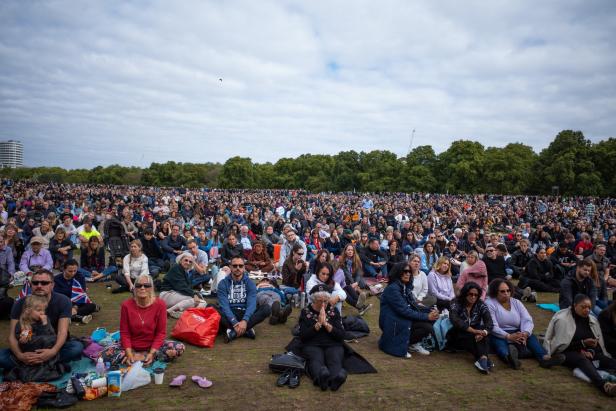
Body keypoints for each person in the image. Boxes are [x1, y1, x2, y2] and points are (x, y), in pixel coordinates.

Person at [0, 269, 83, 374]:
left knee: (76, 348)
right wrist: (20, 356)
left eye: (44, 283)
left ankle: (36, 363)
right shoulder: (20, 303)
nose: (39, 286)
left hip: (51, 345)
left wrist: (52, 352)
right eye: (35, 283)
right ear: (30, 285)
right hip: (26, 348)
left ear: (52, 285)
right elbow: (12, 335)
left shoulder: (63, 301)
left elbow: (62, 332)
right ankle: (45, 363)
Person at [544, 294, 616, 396]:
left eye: (589, 307)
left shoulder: (592, 321)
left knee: (610, 361)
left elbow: (597, 344)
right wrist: (582, 344)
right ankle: (604, 386)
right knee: (582, 360)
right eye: (583, 307)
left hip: (588, 353)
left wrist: (590, 350)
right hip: (568, 352)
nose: (587, 310)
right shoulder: (563, 320)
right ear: (574, 305)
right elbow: (562, 345)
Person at [486, 278, 564, 369]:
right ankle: (510, 358)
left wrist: (525, 333)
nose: (506, 293)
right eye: (502, 291)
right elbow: (492, 325)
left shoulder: (516, 302)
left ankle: (545, 359)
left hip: (519, 331)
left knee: (532, 339)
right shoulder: (489, 303)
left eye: (508, 291)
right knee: (499, 343)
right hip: (500, 334)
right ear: (495, 292)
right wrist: (509, 336)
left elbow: (527, 319)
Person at [120, 274, 184, 365]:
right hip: (132, 345)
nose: (142, 288)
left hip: (152, 346)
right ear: (134, 288)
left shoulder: (160, 305)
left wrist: (152, 352)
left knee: (179, 347)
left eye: (146, 285)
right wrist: (129, 352)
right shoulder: (126, 305)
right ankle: (137, 357)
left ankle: (145, 357)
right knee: (104, 355)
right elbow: (124, 332)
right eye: (138, 285)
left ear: (151, 288)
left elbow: (161, 333)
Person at [378, 262, 439, 358]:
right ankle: (402, 344)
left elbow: (413, 305)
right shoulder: (393, 289)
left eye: (409, 271)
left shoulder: (405, 287)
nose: (408, 274)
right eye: (405, 271)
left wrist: (429, 311)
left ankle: (411, 343)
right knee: (427, 326)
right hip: (394, 321)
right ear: (398, 272)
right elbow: (404, 310)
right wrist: (427, 316)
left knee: (429, 321)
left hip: (401, 317)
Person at [4, 295, 67, 382]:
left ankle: (46, 364)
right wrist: (23, 339)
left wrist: (44, 325)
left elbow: (51, 336)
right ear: (28, 311)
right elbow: (24, 342)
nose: (42, 313)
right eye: (38, 310)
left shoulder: (45, 321)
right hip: (29, 352)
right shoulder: (24, 324)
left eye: (44, 310)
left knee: (52, 340)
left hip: (47, 351)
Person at [298, 284, 347, 391]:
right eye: (320, 301)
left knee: (334, 359)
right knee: (316, 359)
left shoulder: (334, 311)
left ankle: (335, 381)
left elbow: (341, 335)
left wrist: (326, 325)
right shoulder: (305, 312)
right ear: (314, 300)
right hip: (312, 344)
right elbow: (303, 336)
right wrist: (318, 324)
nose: (324, 304)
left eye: (326, 300)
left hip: (332, 343)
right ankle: (321, 379)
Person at [217, 256, 271, 342]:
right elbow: (224, 305)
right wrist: (234, 322)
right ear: (230, 267)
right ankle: (246, 330)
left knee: (266, 308)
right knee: (210, 307)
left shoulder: (250, 283)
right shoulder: (223, 283)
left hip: (245, 312)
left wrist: (245, 320)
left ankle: (234, 332)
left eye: (240, 266)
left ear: (244, 268)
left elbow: (251, 304)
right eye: (235, 266)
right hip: (229, 313)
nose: (238, 268)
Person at [447, 282, 494, 374]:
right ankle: (484, 359)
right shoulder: (455, 302)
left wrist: (484, 332)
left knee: (482, 333)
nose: (473, 297)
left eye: (476, 295)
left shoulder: (480, 304)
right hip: (457, 334)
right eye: (470, 294)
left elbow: (489, 322)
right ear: (465, 293)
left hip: (474, 335)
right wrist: (474, 331)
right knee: (474, 336)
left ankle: (482, 359)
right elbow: (456, 321)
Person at [159, 253, 207, 318]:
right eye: (186, 260)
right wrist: (194, 294)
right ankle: (168, 311)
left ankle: (181, 313)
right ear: (181, 260)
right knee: (192, 300)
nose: (188, 262)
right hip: (167, 294)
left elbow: (188, 288)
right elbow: (181, 287)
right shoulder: (176, 268)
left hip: (177, 295)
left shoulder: (186, 272)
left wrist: (196, 294)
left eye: (190, 262)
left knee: (203, 303)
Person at [53, 260, 98, 324]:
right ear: (64, 269)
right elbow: (56, 296)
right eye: (70, 271)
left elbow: (81, 293)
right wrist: (69, 306)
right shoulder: (56, 279)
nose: (73, 273)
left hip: (77, 302)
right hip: (63, 302)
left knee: (91, 305)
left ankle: (70, 316)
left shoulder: (79, 276)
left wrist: (75, 307)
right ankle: (77, 317)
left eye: (75, 271)